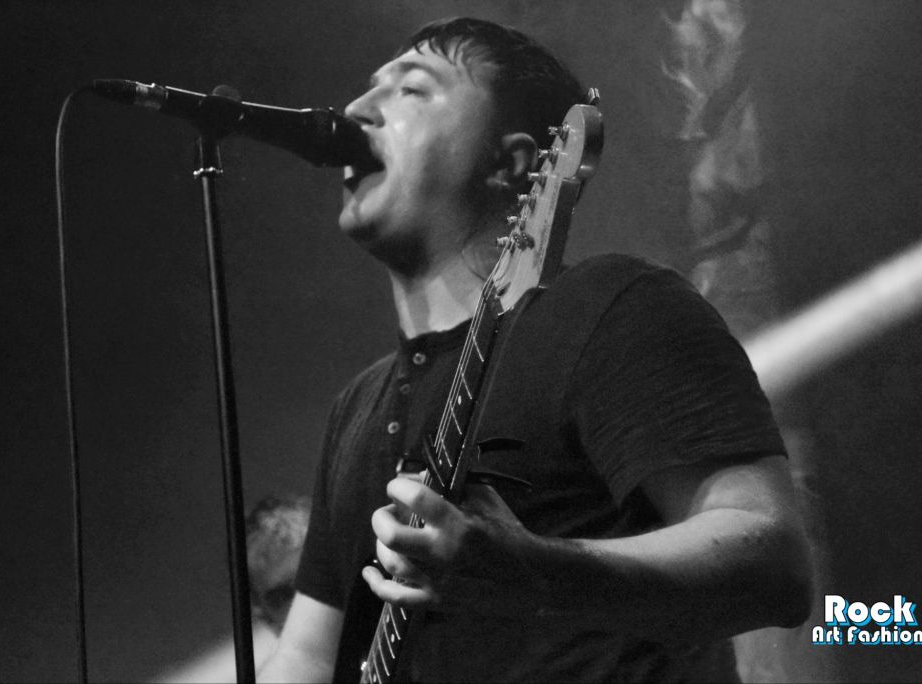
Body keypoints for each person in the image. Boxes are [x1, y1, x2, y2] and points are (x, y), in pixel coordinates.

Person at [259, 17, 811, 683]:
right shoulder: (358, 407)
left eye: (411, 89)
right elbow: (308, 657)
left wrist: (537, 573)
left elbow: (772, 561)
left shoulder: (613, 307)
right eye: (368, 87)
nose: (355, 110)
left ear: (512, 164)